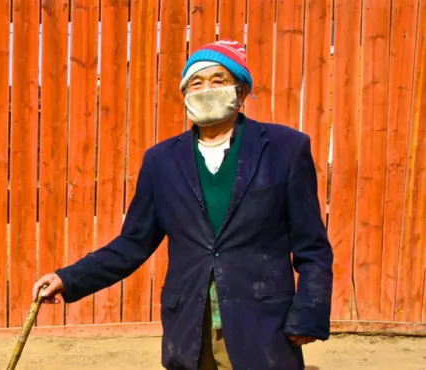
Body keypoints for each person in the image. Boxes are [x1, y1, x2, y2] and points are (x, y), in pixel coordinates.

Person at [32, 39, 334, 370]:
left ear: (242, 91)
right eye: (196, 82)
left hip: (262, 327)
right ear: (185, 95)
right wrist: (68, 278)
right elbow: (132, 245)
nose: (206, 89)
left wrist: (309, 314)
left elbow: (312, 248)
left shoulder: (285, 149)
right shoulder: (161, 162)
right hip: (190, 328)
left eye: (218, 80)